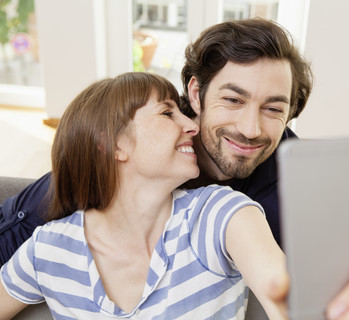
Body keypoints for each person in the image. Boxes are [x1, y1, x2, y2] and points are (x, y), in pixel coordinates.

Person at [0, 18, 349, 319]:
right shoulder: (58, 231)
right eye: (234, 100)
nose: (250, 128)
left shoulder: (237, 209)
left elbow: (295, 295)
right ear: (195, 94)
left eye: (274, 108)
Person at [0, 72, 287, 319]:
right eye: (167, 113)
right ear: (113, 144)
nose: (193, 126)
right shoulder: (48, 250)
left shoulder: (220, 214)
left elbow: (289, 298)